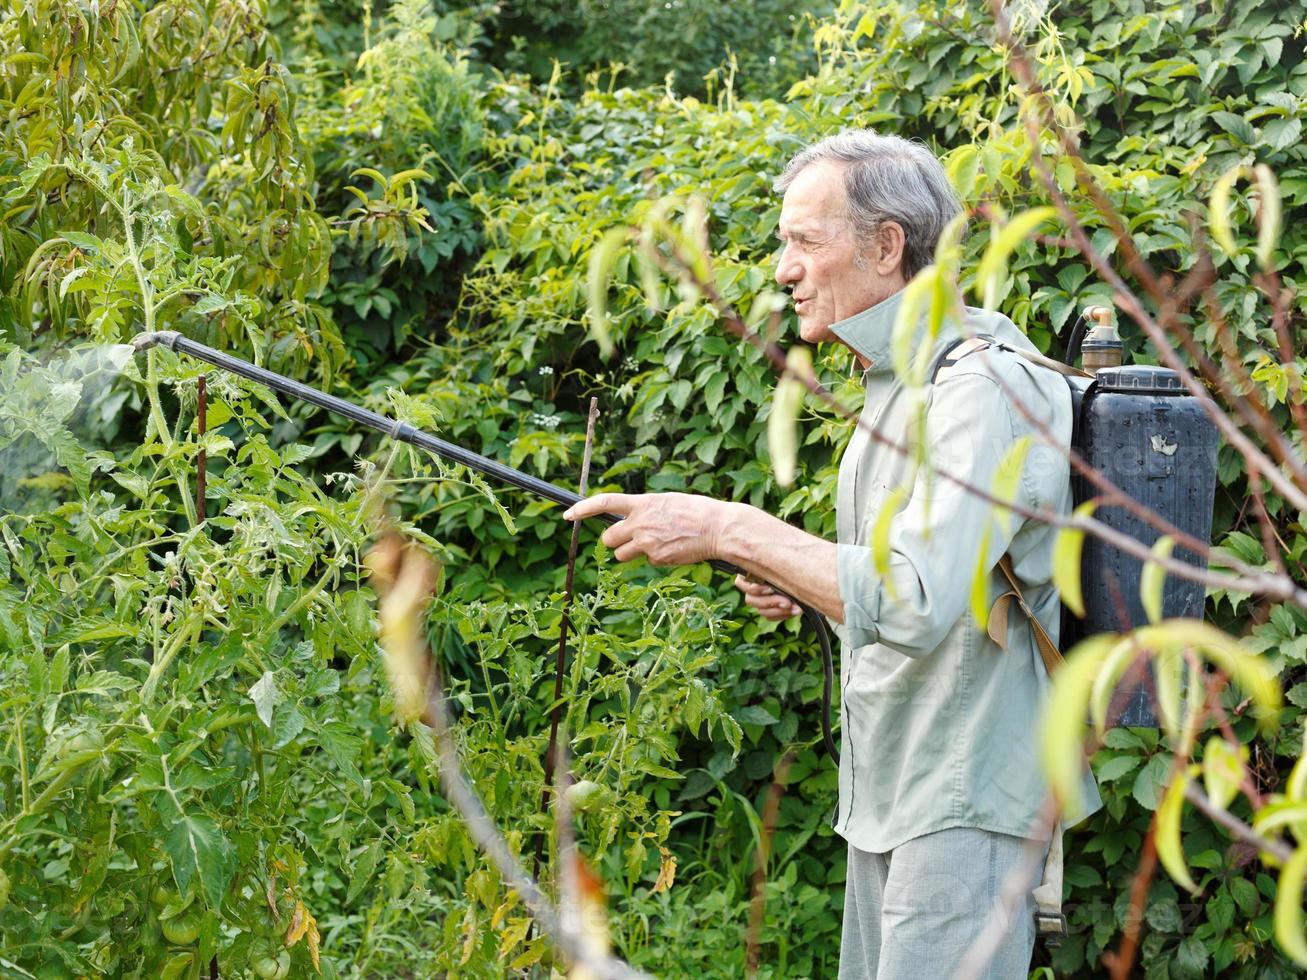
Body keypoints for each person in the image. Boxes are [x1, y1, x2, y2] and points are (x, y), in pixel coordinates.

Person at [563, 129, 1101, 978]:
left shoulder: (981, 388)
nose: (782, 268)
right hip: (889, 787)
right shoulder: (895, 387)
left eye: (803, 242)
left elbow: (916, 598)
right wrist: (799, 580)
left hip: (960, 798)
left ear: (885, 247)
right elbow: (908, 583)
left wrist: (727, 528)